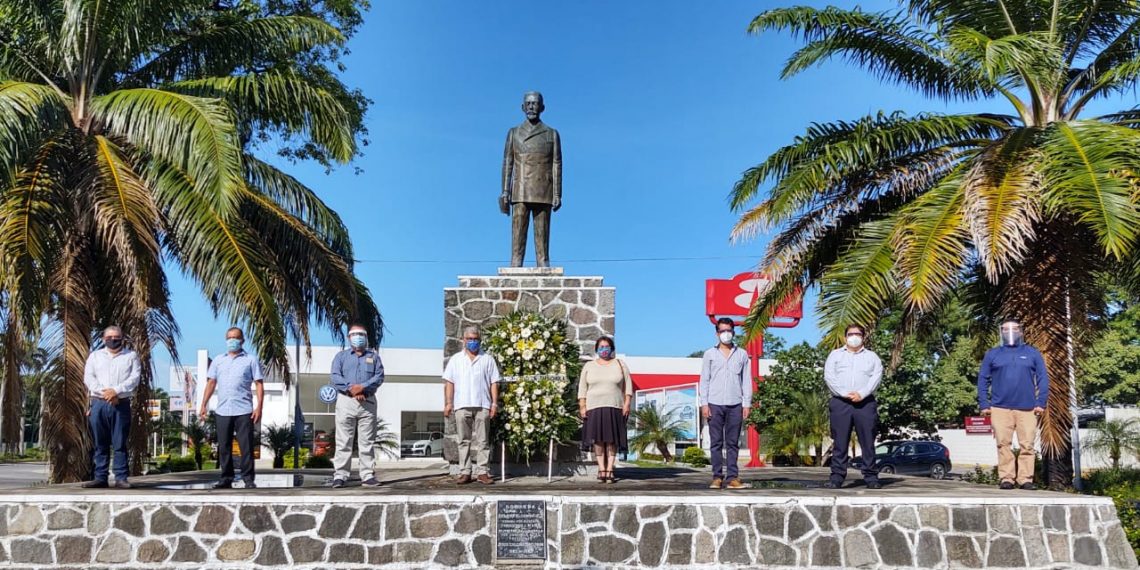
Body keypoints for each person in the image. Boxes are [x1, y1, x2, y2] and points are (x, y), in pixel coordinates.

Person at [978, 319, 1049, 490]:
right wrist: (984, 404)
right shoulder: (993, 354)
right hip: (1000, 407)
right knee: (1003, 444)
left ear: (1021, 331)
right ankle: (1006, 478)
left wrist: (1041, 402)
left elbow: (1043, 378)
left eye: (1014, 329)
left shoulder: (1032, 353)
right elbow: (982, 379)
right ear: (1001, 332)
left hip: (1028, 408)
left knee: (1027, 445)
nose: (1010, 332)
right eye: (1006, 329)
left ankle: (1025, 479)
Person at [500, 91, 562, 267]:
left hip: (544, 189)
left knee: (542, 234)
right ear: (522, 107)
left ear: (542, 107)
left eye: (535, 104)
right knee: (518, 232)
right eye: (528, 104)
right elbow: (508, 163)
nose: (532, 107)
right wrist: (505, 191)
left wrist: (557, 193)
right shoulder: (514, 133)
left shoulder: (552, 134)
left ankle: (543, 264)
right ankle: (515, 264)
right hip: (520, 188)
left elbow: (557, 164)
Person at [199, 327, 264, 489]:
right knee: (224, 446)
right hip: (223, 410)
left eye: (235, 337)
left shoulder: (250, 360)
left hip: (244, 409)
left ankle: (248, 479)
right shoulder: (218, 360)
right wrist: (203, 404)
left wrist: (259, 407)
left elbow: (259, 384)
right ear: (225, 339)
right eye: (229, 338)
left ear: (242, 340)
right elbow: (211, 383)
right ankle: (226, 477)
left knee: (246, 446)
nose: (232, 340)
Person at [824, 324, 883, 490]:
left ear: (863, 337)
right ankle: (836, 478)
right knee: (840, 442)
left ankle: (871, 477)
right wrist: (844, 393)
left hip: (865, 403)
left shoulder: (872, 357)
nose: (854, 337)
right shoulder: (835, 356)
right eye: (851, 334)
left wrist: (862, 394)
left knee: (867, 442)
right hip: (840, 402)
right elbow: (829, 377)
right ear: (845, 337)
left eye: (858, 334)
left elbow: (875, 378)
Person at [83, 326, 141, 488]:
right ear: (103, 339)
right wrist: (106, 394)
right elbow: (89, 378)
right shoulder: (95, 356)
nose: (113, 339)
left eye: (116, 337)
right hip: (99, 403)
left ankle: (121, 478)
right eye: (109, 337)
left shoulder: (131, 356)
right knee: (100, 443)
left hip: (120, 403)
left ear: (122, 338)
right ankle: (100, 477)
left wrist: (116, 391)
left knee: (119, 442)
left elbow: (134, 378)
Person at [699, 318, 752, 490]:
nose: (726, 334)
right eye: (722, 331)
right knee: (716, 442)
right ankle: (716, 477)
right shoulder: (709, 354)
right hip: (714, 403)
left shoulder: (742, 354)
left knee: (732, 443)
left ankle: (733, 478)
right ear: (717, 333)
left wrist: (747, 404)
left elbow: (746, 381)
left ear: (733, 332)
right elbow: (704, 380)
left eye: (728, 330)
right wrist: (704, 403)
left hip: (735, 403)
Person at [329, 324, 385, 488]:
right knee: (343, 441)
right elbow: (335, 376)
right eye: (354, 334)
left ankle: (367, 475)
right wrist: (352, 389)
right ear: (349, 337)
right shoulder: (341, 357)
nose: (358, 337)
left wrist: (363, 387)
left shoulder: (374, 357)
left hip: (367, 402)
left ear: (366, 337)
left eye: (361, 334)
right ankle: (340, 475)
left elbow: (379, 376)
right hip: (346, 401)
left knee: (367, 441)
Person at [443, 326, 500, 484]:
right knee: (463, 440)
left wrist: (494, 404)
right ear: (464, 340)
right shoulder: (455, 359)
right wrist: (448, 403)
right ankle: (465, 471)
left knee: (483, 441)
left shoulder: (487, 359)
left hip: (483, 405)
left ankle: (482, 472)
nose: (473, 342)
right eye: (470, 339)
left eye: (475, 339)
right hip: (461, 404)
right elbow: (449, 382)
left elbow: (494, 382)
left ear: (480, 340)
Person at [578, 336, 632, 483]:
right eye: (601, 347)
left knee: (612, 440)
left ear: (612, 348)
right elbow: (582, 388)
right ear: (597, 349)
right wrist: (582, 406)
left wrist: (627, 403)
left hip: (615, 406)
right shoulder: (589, 366)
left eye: (607, 346)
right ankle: (601, 469)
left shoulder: (620, 364)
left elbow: (628, 386)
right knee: (598, 440)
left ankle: (610, 469)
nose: (604, 349)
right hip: (594, 407)